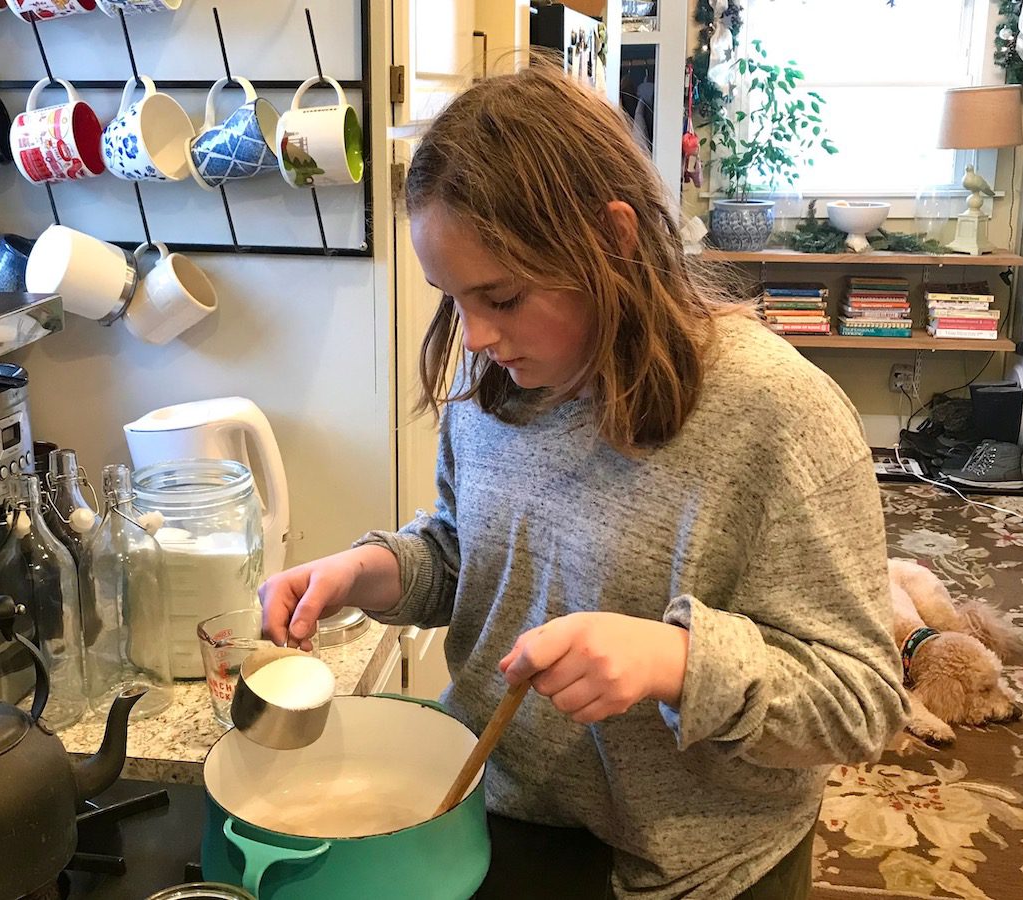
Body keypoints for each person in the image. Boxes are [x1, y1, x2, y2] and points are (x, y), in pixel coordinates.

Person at [260, 64, 908, 900]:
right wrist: (365, 572)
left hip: (699, 869)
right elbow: (471, 559)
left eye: (502, 295)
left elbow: (859, 704)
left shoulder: (778, 412)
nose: (478, 334)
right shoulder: (493, 391)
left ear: (613, 237)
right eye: (452, 298)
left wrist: (676, 661)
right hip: (495, 818)